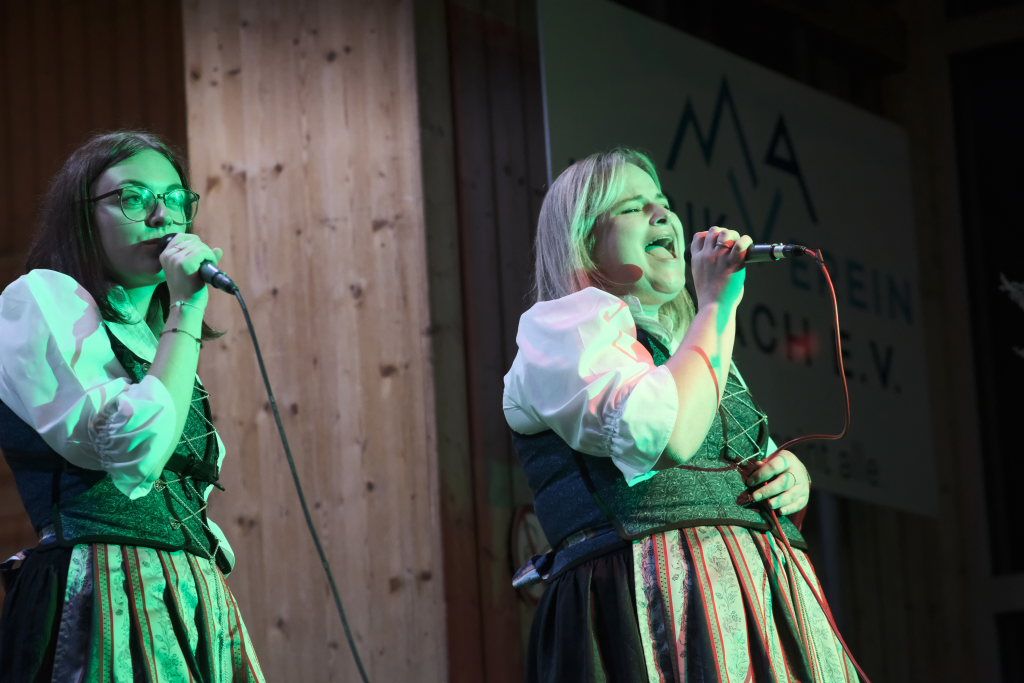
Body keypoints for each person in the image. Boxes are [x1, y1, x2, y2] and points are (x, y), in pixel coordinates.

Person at [503, 148, 859, 681]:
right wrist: (716, 303)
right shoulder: (564, 328)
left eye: (662, 201)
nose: (662, 214)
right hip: (648, 599)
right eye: (632, 207)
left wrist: (790, 479)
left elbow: (736, 464)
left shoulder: (687, 346)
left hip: (758, 595)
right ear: (583, 242)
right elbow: (668, 437)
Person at [0, 131, 264, 681]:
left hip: (191, 596)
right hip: (104, 589)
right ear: (82, 215)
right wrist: (187, 309)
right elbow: (133, 452)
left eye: (175, 198)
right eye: (134, 197)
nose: (162, 215)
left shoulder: (159, 340)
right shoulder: (41, 298)